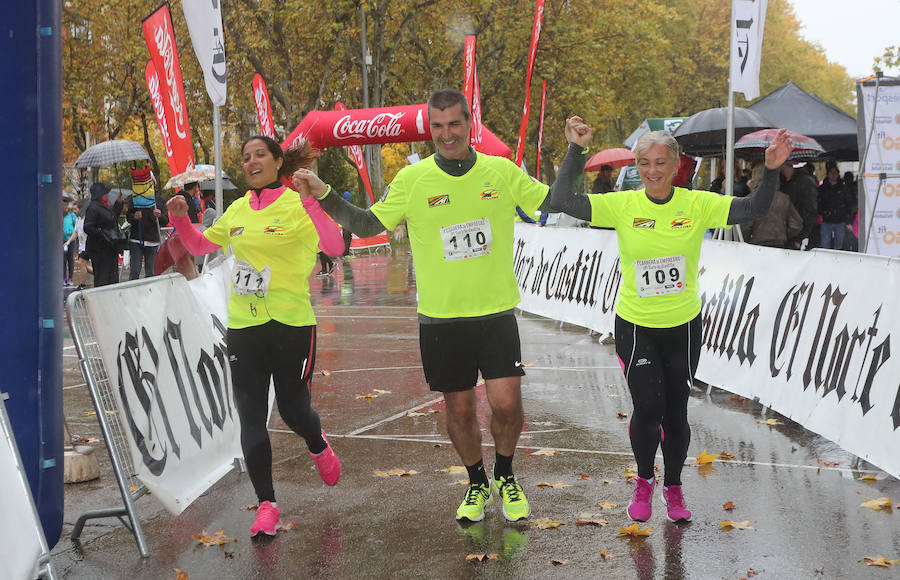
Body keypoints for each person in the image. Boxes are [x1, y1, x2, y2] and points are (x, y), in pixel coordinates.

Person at [292, 89, 585, 524]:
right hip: (442, 319)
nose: (447, 134)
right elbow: (369, 223)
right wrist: (325, 193)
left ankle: (505, 474)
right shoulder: (413, 181)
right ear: (431, 129)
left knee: (506, 404)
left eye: (455, 124)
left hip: (494, 313)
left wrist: (576, 150)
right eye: (439, 126)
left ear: (470, 125)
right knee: (460, 409)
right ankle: (477, 481)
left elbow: (557, 202)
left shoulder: (500, 172)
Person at [551, 123, 792, 523]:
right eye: (644, 163)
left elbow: (755, 208)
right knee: (648, 408)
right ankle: (644, 480)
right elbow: (560, 200)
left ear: (676, 164)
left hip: (682, 326)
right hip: (636, 326)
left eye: (660, 162)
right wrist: (576, 149)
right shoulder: (623, 205)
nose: (652, 170)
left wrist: (769, 169)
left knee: (676, 414)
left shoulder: (696, 204)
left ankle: (674, 487)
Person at [166, 135, 345, 538]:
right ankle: (267, 505)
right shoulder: (238, 208)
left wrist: (314, 203)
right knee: (249, 414)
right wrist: (181, 219)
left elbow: (335, 245)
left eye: (259, 155)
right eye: (245, 157)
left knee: (293, 410)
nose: (250, 162)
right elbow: (199, 244)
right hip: (245, 326)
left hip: (291, 323)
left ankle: (317, 443)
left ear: (278, 161)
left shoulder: (298, 204)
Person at [742, 162, 802, 248]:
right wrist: (783, 233)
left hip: (756, 244)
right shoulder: (784, 198)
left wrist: (747, 239)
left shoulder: (751, 198)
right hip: (779, 243)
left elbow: (746, 226)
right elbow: (796, 225)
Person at [83, 182, 125, 287]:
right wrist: (102, 233)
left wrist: (119, 203)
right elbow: (88, 227)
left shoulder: (104, 206)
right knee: (103, 277)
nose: (107, 195)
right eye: (105, 193)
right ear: (100, 194)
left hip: (110, 247)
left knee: (112, 276)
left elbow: (112, 218)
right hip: (99, 249)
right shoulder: (93, 208)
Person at [125, 185, 169, 280]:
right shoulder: (135, 198)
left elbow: (166, 220)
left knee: (151, 273)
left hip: (152, 240)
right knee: (135, 271)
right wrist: (134, 217)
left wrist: (160, 216)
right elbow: (128, 217)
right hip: (137, 239)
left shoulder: (160, 201)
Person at [780, 162, 818, 250]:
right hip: (792, 230)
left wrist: (801, 237)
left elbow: (811, 210)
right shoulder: (790, 181)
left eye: (783, 168)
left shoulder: (804, 181)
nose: (782, 171)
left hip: (798, 232)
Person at [817, 161, 854, 250]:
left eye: (835, 173)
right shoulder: (822, 188)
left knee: (839, 246)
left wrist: (849, 221)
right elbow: (818, 202)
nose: (833, 175)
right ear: (827, 174)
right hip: (826, 220)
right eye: (831, 173)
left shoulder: (844, 188)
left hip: (840, 220)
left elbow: (849, 204)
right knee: (825, 245)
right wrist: (821, 213)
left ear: (838, 174)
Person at [62, 195, 78, 286]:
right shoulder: (59, 215)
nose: (66, 208)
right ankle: (63, 278)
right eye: (64, 206)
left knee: (70, 259)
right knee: (63, 260)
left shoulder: (72, 215)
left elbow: (76, 228)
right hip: (61, 241)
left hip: (71, 241)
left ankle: (70, 278)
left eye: (67, 205)